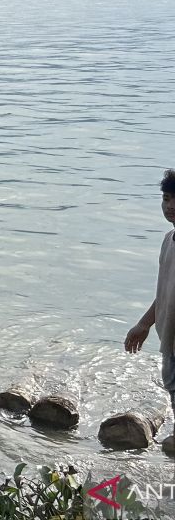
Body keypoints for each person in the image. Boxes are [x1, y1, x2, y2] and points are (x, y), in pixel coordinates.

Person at [124, 169, 175, 445]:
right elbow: (166, 293)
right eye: (166, 198)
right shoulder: (169, 240)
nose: (171, 205)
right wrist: (144, 323)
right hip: (170, 341)